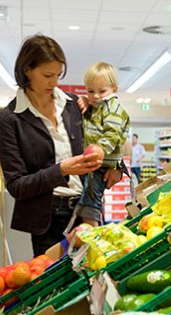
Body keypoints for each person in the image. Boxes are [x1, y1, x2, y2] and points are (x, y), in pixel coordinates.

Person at [0, 34, 122, 256]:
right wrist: (62, 170)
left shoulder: (74, 105)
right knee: (54, 283)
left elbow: (108, 133)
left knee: (90, 278)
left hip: (85, 208)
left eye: (58, 75)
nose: (54, 82)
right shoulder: (11, 119)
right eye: (47, 75)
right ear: (27, 70)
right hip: (46, 220)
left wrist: (117, 167)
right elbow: (16, 185)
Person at [74, 62, 130, 226]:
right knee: (89, 195)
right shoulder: (96, 108)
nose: (96, 96)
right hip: (94, 161)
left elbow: (112, 134)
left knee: (91, 196)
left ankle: (92, 229)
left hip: (102, 162)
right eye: (90, 91)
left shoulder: (112, 109)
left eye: (102, 91)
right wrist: (84, 100)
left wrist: (99, 150)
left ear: (115, 89)